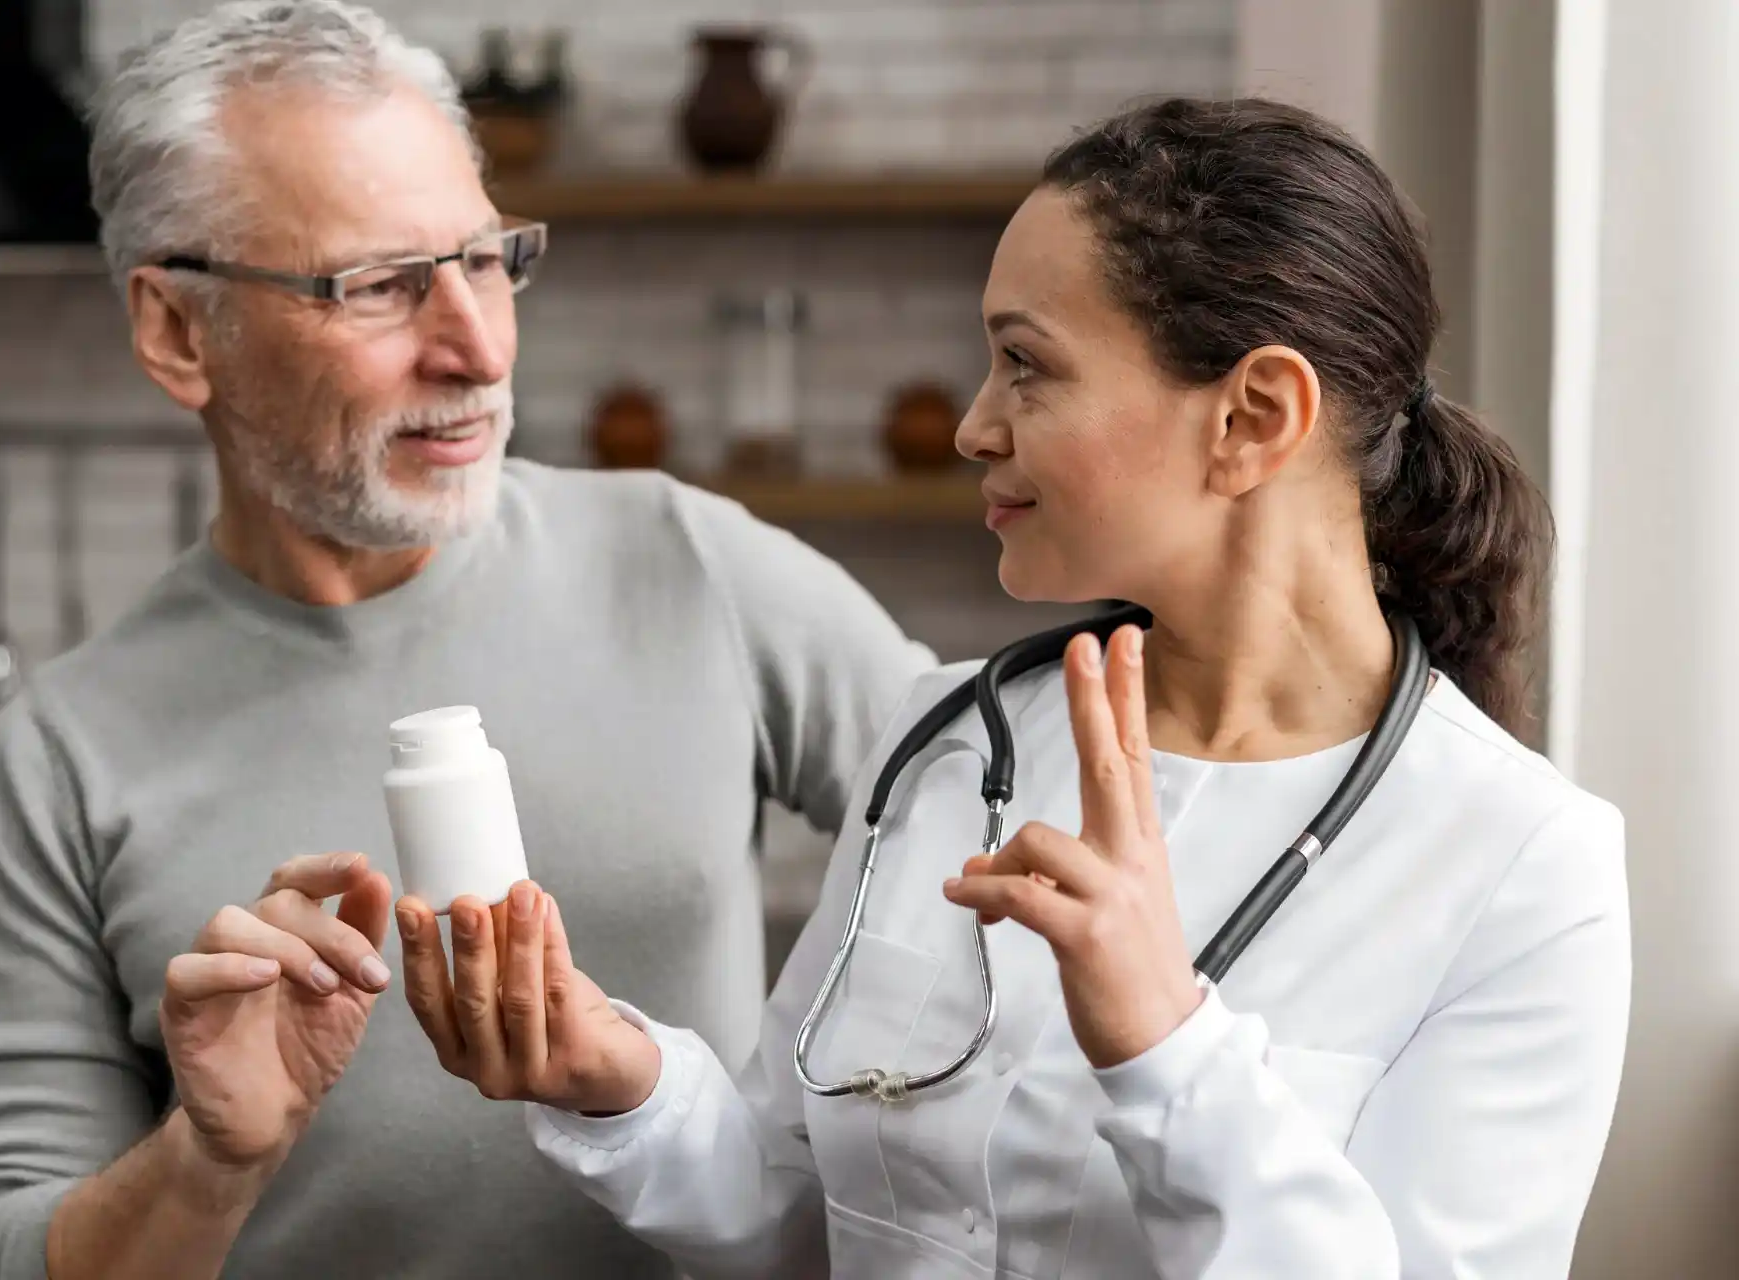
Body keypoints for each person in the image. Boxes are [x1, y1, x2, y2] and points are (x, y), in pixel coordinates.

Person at [398, 96, 1634, 1278]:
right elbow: (799, 1224)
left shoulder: (1526, 870)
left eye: (1026, 365)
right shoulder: (946, 740)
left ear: (1253, 417)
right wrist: (621, 1082)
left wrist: (1165, 1041)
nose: (973, 426)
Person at [0, 4, 933, 1279]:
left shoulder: (692, 564)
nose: (478, 346)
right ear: (180, 332)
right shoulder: (63, 753)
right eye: (379, 285)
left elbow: (1015, 848)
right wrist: (208, 1162)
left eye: (486, 259)